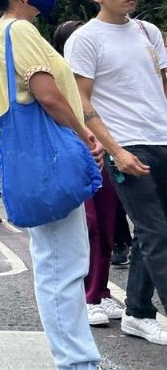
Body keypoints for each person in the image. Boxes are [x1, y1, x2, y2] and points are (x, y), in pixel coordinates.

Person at [0, 0, 102, 368]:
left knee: (57, 263)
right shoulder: (19, 31)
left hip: (32, 160)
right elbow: (46, 93)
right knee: (63, 265)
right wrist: (85, 133)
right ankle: (77, 361)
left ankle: (76, 358)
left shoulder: (5, 33)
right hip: (49, 159)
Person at [66, 0, 167, 344]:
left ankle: (138, 313)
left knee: (152, 234)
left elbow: (161, 85)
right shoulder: (86, 39)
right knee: (156, 231)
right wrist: (115, 151)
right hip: (126, 144)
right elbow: (82, 100)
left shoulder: (148, 31)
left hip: (162, 139)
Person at [52, 19, 124, 327]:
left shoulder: (100, 80)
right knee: (90, 226)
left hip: (105, 154)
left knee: (108, 226)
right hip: (76, 157)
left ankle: (100, 289)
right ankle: (87, 294)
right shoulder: (58, 82)